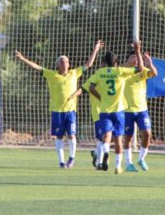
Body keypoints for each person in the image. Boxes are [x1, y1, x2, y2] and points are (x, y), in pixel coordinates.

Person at [15, 40, 104, 168]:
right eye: (62, 61)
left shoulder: (74, 73)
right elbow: (36, 66)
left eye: (66, 61)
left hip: (71, 111)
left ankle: (71, 158)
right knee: (59, 136)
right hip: (57, 111)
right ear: (57, 64)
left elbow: (88, 64)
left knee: (72, 135)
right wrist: (23, 58)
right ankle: (61, 162)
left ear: (69, 64)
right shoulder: (52, 75)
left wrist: (96, 49)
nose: (64, 62)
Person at [89, 41, 144, 174]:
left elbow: (91, 87)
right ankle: (117, 166)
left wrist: (100, 97)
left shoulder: (100, 72)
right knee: (118, 139)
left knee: (106, 137)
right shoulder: (120, 71)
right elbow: (140, 69)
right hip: (119, 110)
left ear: (105, 62)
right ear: (116, 63)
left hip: (104, 111)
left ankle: (103, 157)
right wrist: (137, 50)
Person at [123, 51, 158, 172]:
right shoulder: (123, 73)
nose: (135, 61)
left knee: (147, 133)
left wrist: (150, 62)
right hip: (127, 110)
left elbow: (154, 73)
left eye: (137, 59)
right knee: (128, 137)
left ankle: (141, 158)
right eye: (133, 59)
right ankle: (128, 163)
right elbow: (119, 68)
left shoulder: (142, 73)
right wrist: (128, 63)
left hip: (142, 110)